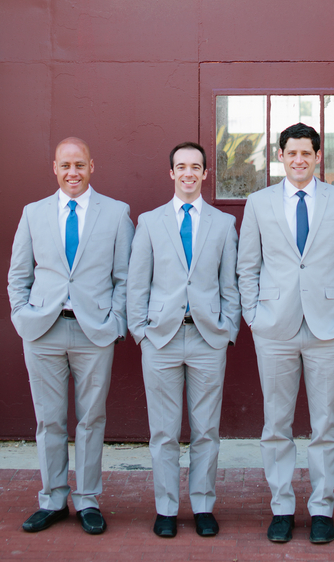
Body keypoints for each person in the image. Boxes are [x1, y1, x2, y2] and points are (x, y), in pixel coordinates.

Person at [237, 122, 334, 545]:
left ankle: (322, 508)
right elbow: (247, 265)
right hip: (274, 326)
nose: (300, 160)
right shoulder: (259, 202)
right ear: (281, 156)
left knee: (326, 424)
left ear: (318, 157)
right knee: (276, 423)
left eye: (307, 153)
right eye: (292, 153)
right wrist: (254, 315)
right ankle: (282, 506)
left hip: (327, 326)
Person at [7, 137, 133, 535]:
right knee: (49, 420)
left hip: (93, 332)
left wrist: (115, 322)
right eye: (65, 166)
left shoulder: (116, 213)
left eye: (79, 164)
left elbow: (125, 278)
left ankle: (89, 499)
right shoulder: (33, 213)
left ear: (92, 166)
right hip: (42, 330)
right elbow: (18, 275)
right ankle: (53, 498)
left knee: (92, 419)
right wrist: (22, 315)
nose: (72, 173)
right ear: (55, 168)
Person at [127, 142, 240, 539]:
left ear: (205, 174)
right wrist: (140, 331)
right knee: (164, 430)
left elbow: (231, 285)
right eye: (181, 167)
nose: (188, 173)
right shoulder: (150, 222)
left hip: (208, 337)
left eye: (196, 167)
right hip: (160, 338)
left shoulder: (224, 224)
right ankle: (166, 507)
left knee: (206, 428)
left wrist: (229, 329)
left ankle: (204, 504)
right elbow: (136, 282)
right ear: (170, 173)